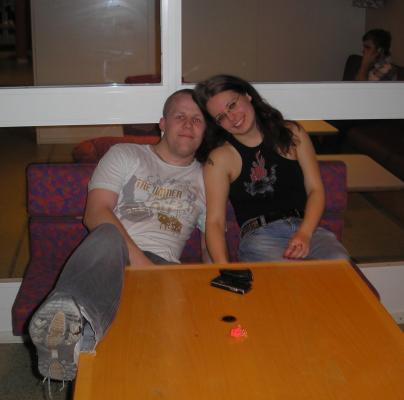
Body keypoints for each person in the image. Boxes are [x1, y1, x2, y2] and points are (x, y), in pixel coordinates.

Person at [29, 89, 210, 383]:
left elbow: (210, 242)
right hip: (108, 257)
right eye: (180, 116)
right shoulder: (126, 154)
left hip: (165, 269)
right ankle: (66, 324)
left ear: (205, 130)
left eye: (198, 119)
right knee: (107, 234)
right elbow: (95, 212)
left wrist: (213, 289)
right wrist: (142, 265)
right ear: (162, 123)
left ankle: (78, 342)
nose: (188, 124)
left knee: (159, 364)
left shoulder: (207, 177)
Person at [193, 74, 349, 264]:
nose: (232, 118)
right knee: (290, 274)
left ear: (247, 95)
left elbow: (316, 190)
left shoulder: (292, 133)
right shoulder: (219, 159)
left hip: (309, 229)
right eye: (221, 117)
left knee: (340, 263)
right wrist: (225, 269)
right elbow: (215, 222)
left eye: (232, 105)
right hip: (260, 237)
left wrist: (305, 233)